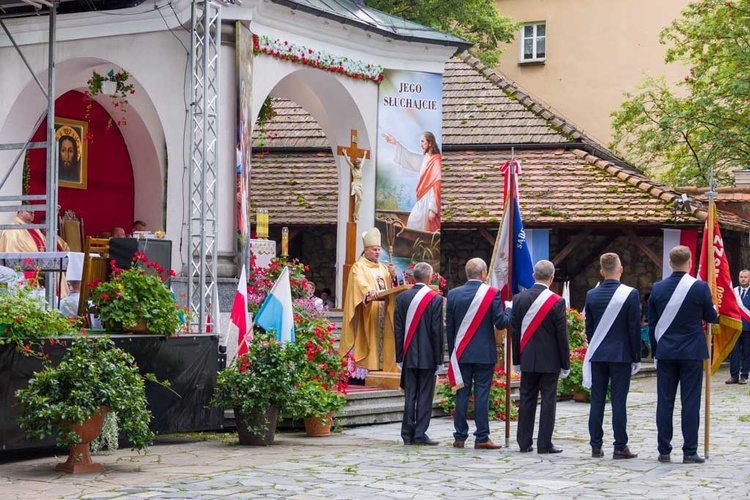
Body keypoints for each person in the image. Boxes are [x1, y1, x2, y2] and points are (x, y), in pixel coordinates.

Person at [648, 245, 717, 464]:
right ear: (690, 263)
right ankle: (689, 451)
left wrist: (656, 350)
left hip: (667, 351)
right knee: (690, 402)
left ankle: (664, 450)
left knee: (665, 402)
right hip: (691, 352)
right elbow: (711, 316)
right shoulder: (700, 288)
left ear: (670, 263)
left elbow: (652, 324)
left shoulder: (657, 288)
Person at [446, 257, 512, 450]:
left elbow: (449, 328)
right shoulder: (492, 293)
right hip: (484, 353)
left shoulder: (453, 294)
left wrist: (453, 353)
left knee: (462, 394)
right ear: (483, 274)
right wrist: (509, 310)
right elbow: (500, 322)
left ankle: (459, 436)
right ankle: (482, 436)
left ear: (468, 274)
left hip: (461, 352)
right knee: (482, 394)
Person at [583, 253, 641, 459]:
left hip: (598, 354)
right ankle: (620, 446)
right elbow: (634, 328)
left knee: (597, 400)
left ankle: (596, 446)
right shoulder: (631, 294)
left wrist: (595, 346)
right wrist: (636, 356)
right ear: (621, 269)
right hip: (621, 354)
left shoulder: (591, 295)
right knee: (619, 401)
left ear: (601, 271)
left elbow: (588, 328)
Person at [510, 259, 569, 454]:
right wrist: (565, 363)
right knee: (548, 401)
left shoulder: (519, 299)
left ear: (534, 276)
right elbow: (562, 335)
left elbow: (515, 332)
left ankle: (523, 442)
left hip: (527, 358)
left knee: (526, 399)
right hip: (550, 360)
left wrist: (516, 360)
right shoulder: (558, 301)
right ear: (552, 278)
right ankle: (544, 444)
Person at [394, 262, 444, 446]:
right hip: (428, 356)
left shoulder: (401, 298)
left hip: (408, 355)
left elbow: (397, 329)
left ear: (413, 277)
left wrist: (399, 356)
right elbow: (436, 331)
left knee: (410, 395)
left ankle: (407, 434)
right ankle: (420, 433)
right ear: (429, 277)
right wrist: (439, 359)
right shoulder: (435, 299)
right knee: (424, 395)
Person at [339, 228, 397, 380]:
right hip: (368, 311)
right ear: (366, 250)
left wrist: (393, 276)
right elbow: (359, 283)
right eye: (374, 249)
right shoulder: (358, 266)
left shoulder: (383, 268)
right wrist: (368, 292)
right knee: (369, 338)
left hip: (383, 311)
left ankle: (382, 366)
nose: (377, 252)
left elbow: (389, 288)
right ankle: (365, 371)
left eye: (378, 249)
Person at [0, 210, 69, 297]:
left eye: (34, 212)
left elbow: (45, 244)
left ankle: (59, 300)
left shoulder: (34, 228)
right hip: (26, 267)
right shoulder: (12, 230)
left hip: (40, 264)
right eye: (30, 212)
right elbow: (11, 253)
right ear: (21, 212)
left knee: (57, 270)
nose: (33, 214)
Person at [382, 131, 441, 232]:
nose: (421, 144)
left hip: (429, 202)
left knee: (417, 223)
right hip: (422, 200)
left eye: (423, 141)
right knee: (413, 223)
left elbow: (436, 186)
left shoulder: (436, 162)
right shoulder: (426, 159)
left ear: (430, 143)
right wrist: (395, 143)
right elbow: (410, 158)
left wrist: (433, 209)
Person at [727, 269, 750, 385]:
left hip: (748, 328)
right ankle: (733, 376)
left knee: (747, 353)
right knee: (734, 352)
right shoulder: (734, 292)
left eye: (745, 277)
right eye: (741, 277)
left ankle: (744, 376)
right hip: (735, 327)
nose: (743, 279)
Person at [341, 148, 366, 222]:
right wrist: (345, 154)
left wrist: (364, 154)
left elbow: (363, 161)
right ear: (355, 164)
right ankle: (355, 213)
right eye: (358, 164)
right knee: (360, 198)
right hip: (355, 184)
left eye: (359, 163)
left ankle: (356, 213)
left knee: (360, 199)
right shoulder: (353, 168)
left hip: (360, 184)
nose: (359, 165)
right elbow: (348, 161)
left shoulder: (360, 168)